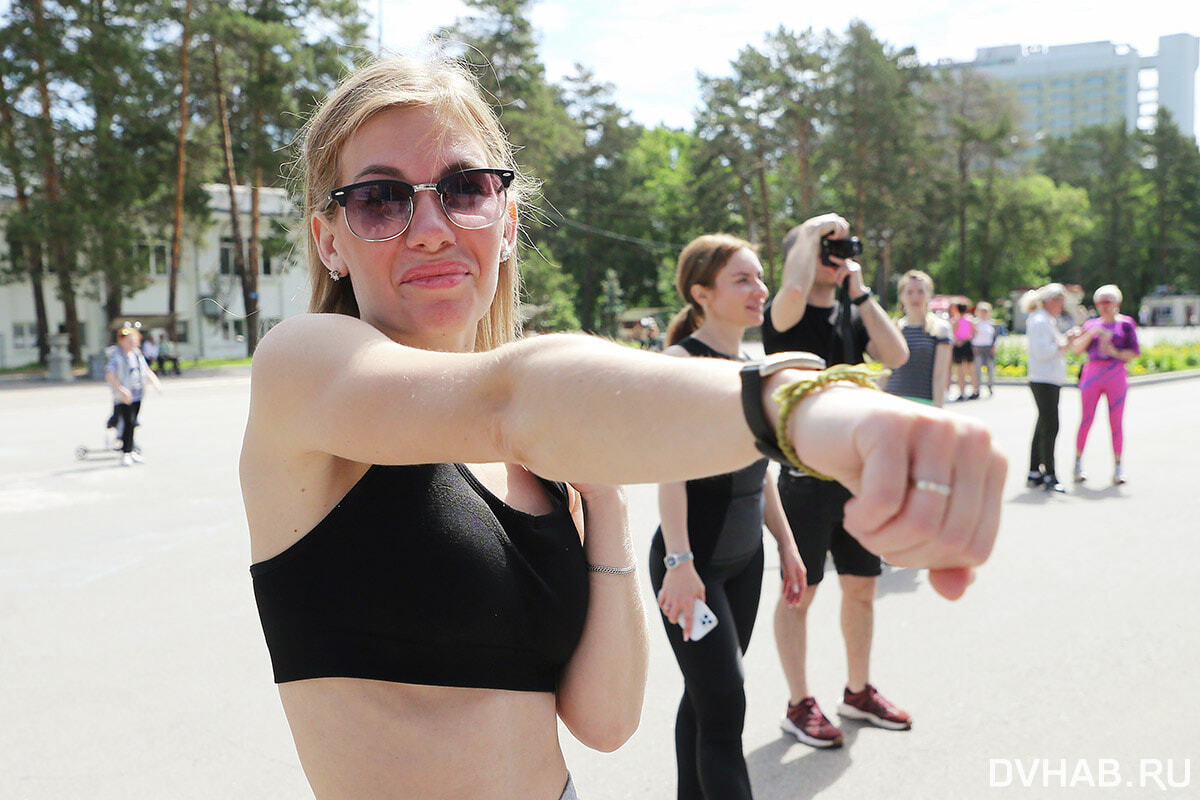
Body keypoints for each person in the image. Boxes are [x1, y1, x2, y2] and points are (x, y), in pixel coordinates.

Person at [240, 54, 1005, 800]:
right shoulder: (303, 369)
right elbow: (509, 398)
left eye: (465, 189)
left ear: (506, 221)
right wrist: (806, 407)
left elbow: (605, 722)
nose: (433, 227)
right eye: (381, 198)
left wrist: (602, 505)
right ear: (328, 239)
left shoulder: (538, 461)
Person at [650, 235, 808, 800]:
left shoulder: (752, 366)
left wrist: (787, 546)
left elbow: (760, 471)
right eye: (743, 280)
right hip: (691, 565)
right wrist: (680, 561)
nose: (760, 290)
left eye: (760, 277)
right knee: (725, 710)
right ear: (702, 293)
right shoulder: (680, 364)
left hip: (745, 559)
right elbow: (668, 470)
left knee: (705, 699)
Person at [761, 214, 913, 750]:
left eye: (842, 245)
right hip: (804, 479)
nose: (837, 252)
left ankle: (857, 691)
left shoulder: (854, 310)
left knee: (862, 587)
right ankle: (799, 702)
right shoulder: (784, 312)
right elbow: (795, 286)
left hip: (857, 477)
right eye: (826, 247)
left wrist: (860, 288)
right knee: (800, 593)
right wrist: (813, 231)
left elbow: (897, 355)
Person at [1070, 284, 1140, 485]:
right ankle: (1077, 462)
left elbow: (1134, 352)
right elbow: (1076, 349)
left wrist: (1114, 351)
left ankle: (1118, 466)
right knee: (1086, 419)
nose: (1104, 306)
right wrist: (1091, 334)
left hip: (1116, 373)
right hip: (1092, 374)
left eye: (1108, 302)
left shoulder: (1126, 324)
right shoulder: (1091, 325)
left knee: (1116, 421)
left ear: (1117, 303)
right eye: (1100, 302)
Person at [1022, 283, 1079, 493]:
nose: (1062, 307)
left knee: (1042, 426)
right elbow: (1042, 352)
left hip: (1048, 379)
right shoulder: (1039, 320)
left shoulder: (1045, 320)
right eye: (1060, 303)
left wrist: (1064, 341)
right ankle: (1050, 474)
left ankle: (1034, 471)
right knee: (1051, 427)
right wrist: (1065, 343)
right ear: (1051, 301)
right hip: (1043, 379)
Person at [885, 270, 951, 407]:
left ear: (929, 295)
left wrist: (938, 411)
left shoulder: (940, 329)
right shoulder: (893, 328)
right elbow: (885, 371)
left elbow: (940, 376)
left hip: (923, 404)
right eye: (910, 292)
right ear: (902, 296)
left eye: (920, 291)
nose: (915, 296)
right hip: (893, 403)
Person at [105, 325, 162, 467]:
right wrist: (121, 389)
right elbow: (110, 375)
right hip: (125, 396)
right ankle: (126, 452)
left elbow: (146, 370)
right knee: (128, 422)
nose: (131, 342)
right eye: (128, 340)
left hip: (137, 393)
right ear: (121, 341)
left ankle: (130, 450)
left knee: (133, 422)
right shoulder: (117, 356)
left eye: (134, 339)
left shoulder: (136, 354)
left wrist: (156, 382)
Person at [971, 302, 999, 398]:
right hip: (978, 347)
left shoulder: (992, 324)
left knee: (990, 369)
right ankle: (977, 389)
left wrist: (995, 345)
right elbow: (972, 336)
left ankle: (990, 386)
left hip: (988, 348)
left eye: (986, 311)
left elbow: (995, 337)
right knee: (977, 369)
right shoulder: (975, 323)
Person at [949, 302, 976, 400]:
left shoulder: (956, 320)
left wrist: (958, 339)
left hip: (958, 345)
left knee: (960, 371)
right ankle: (975, 390)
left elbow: (952, 332)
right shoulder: (970, 319)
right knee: (971, 369)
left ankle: (962, 392)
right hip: (967, 344)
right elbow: (975, 332)